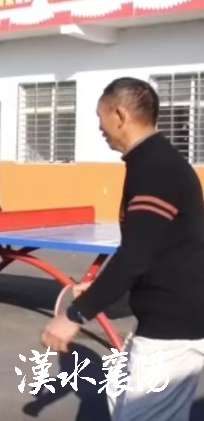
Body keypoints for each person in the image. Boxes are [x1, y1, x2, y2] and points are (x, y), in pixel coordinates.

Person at [42, 78, 204, 421]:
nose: (99, 128)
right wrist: (101, 293)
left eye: (99, 117)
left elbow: (135, 255)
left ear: (119, 114)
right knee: (119, 396)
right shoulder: (151, 162)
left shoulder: (157, 169)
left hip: (174, 328)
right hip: (166, 316)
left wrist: (75, 315)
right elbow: (156, 250)